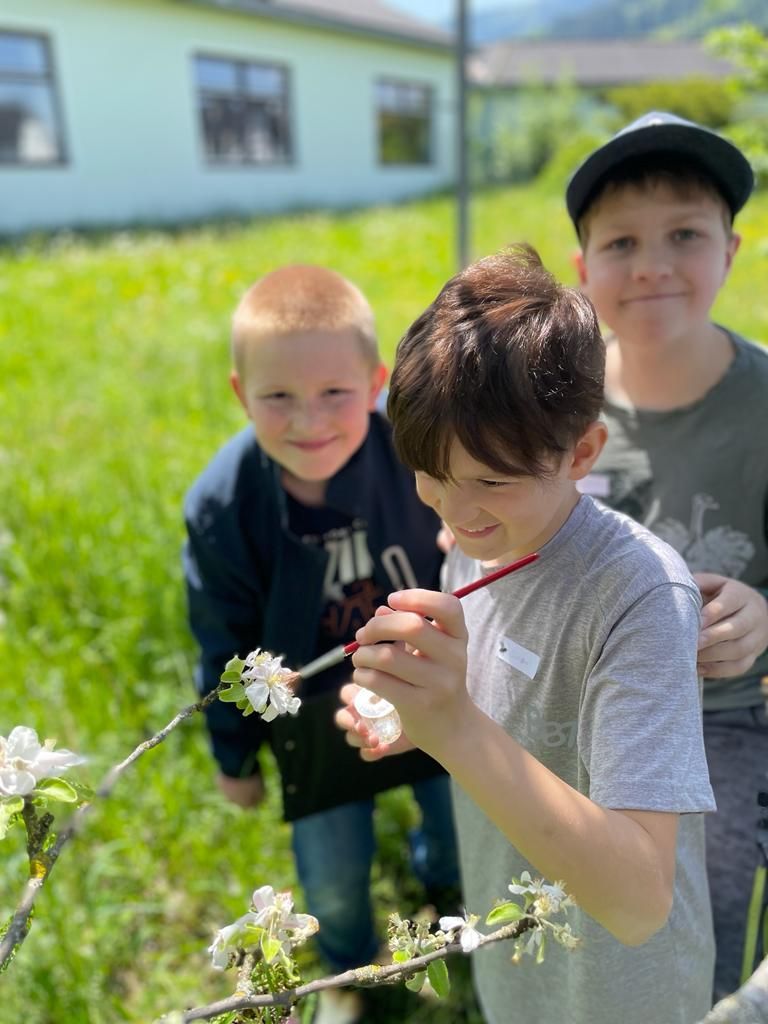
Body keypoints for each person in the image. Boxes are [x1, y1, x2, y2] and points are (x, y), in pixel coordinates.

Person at [336, 244, 716, 1024]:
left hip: (624, 993)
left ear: (581, 453)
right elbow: (502, 715)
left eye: (491, 481)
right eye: (430, 475)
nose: (452, 508)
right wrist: (419, 716)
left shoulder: (638, 594)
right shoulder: (471, 544)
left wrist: (456, 728)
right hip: (514, 959)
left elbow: (642, 900)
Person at [182, 264, 459, 1022]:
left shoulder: (417, 456)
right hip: (310, 727)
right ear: (242, 395)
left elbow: (464, 552)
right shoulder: (223, 508)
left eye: (335, 393)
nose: (309, 420)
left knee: (458, 811)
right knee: (332, 875)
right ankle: (348, 966)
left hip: (421, 688)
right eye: (278, 397)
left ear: (374, 383)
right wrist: (232, 756)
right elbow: (223, 644)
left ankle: (447, 888)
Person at [566, 110, 768, 1000]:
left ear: (730, 249)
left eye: (683, 234)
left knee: (712, 917)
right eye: (621, 243)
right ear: (583, 270)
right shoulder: (554, 406)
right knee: (583, 911)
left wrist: (764, 617)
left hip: (724, 718)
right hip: (584, 709)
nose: (651, 265)